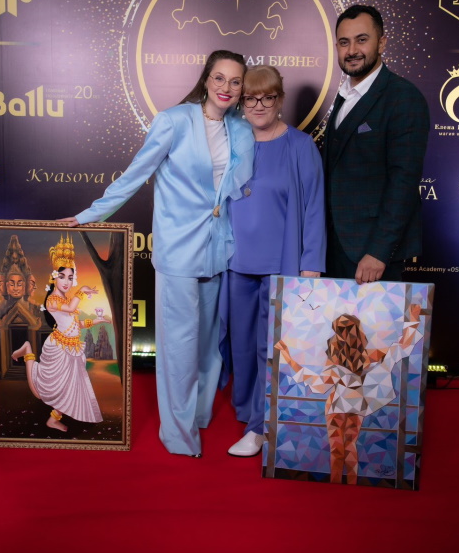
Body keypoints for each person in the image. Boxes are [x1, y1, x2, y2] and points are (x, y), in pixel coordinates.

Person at [59, 50, 254, 457]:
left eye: (235, 81)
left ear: (241, 88)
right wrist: (90, 215)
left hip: (219, 249)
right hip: (179, 249)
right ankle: (179, 436)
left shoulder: (241, 128)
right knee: (179, 347)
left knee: (208, 346)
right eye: (219, 78)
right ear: (206, 79)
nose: (226, 88)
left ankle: (199, 415)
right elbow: (136, 175)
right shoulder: (174, 121)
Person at [221, 65, 326, 457]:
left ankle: (260, 427)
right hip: (235, 263)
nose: (259, 105)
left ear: (280, 100)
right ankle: (247, 409)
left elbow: (314, 208)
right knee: (241, 344)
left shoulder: (300, 146)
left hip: (281, 265)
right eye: (251, 98)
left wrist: (311, 264)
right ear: (241, 102)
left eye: (268, 97)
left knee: (271, 347)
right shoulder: (232, 142)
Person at [323, 5, 430, 285]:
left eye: (362, 40)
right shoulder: (345, 96)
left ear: (381, 43)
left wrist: (379, 252)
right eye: (344, 42)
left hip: (372, 255)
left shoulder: (403, 98)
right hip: (335, 247)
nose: (352, 50)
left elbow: (404, 182)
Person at [276, 304, 422, 484]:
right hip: (356, 405)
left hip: (337, 405)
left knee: (337, 451)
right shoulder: (370, 355)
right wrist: (414, 319)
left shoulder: (337, 358)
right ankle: (350, 485)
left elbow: (319, 385)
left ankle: (336, 485)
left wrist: (287, 356)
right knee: (350, 448)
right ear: (359, 332)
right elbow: (402, 347)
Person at [11, 235, 110, 431]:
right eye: (62, 276)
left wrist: (95, 321)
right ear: (54, 277)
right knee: (45, 389)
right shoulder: (53, 300)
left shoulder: (65, 298)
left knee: (70, 386)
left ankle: (53, 419)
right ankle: (28, 351)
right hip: (58, 347)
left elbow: (75, 323)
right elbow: (71, 308)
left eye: (70, 278)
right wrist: (82, 291)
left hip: (72, 348)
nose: (66, 282)